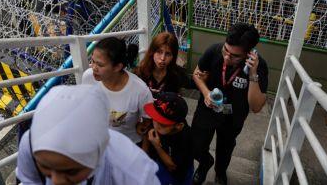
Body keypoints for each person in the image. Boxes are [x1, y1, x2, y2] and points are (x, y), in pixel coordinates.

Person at [16, 84, 160, 185]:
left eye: (71, 171)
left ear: (99, 153)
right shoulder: (30, 144)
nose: (56, 181)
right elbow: (30, 180)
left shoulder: (134, 173)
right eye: (45, 167)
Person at [191, 23, 268, 185]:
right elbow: (196, 75)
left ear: (249, 54)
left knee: (225, 149)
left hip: (233, 116)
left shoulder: (259, 67)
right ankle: (205, 164)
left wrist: (253, 74)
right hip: (208, 108)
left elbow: (256, 106)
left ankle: (220, 173)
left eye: (234, 56)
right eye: (226, 50)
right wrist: (206, 93)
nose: (227, 57)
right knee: (197, 144)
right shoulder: (214, 51)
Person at [82, 37, 154, 145]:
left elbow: (147, 122)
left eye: (100, 64)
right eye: (92, 61)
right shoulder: (88, 77)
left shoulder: (140, 90)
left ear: (117, 67)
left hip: (128, 146)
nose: (93, 67)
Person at [144, 92, 194, 185]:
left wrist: (157, 146)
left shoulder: (185, 139)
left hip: (177, 174)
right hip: (160, 163)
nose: (156, 125)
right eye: (155, 117)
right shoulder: (159, 123)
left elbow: (173, 166)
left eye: (162, 124)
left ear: (179, 126)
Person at [135, 32, 186, 99]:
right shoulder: (140, 72)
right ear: (152, 52)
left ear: (173, 57)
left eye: (168, 54)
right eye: (159, 52)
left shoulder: (176, 75)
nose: (162, 58)